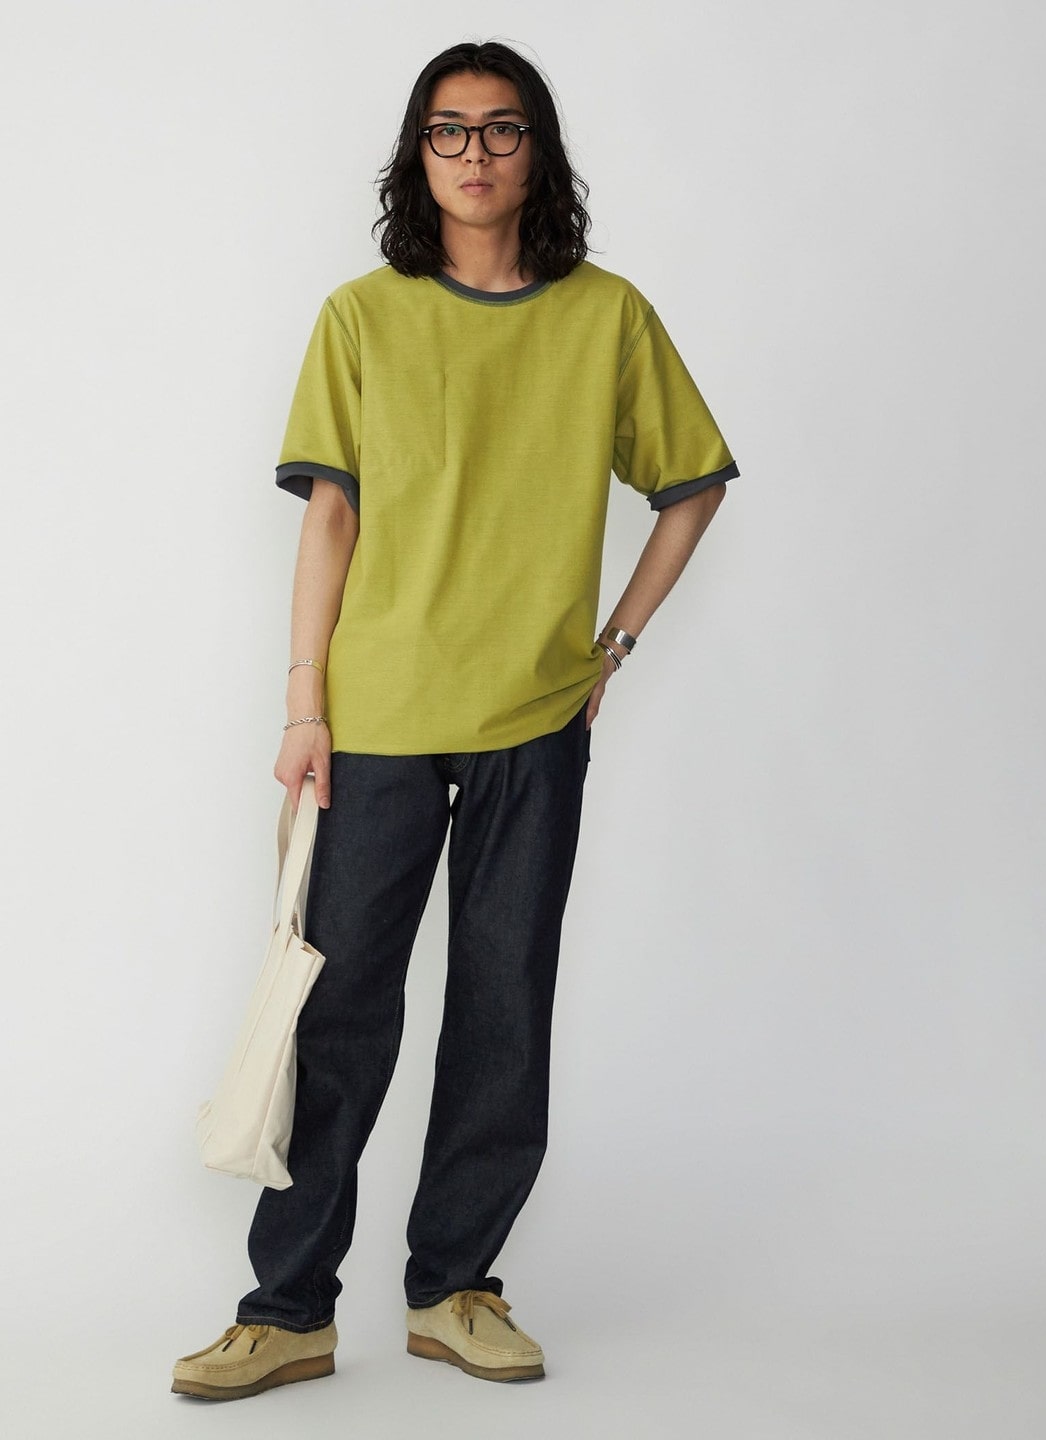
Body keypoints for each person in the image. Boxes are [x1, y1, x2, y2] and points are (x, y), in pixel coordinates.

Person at [172, 39, 738, 1400]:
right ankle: (287, 1308)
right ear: (415, 156)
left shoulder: (606, 316)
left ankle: (455, 1288)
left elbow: (693, 486)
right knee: (338, 1012)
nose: (474, 154)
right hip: (375, 718)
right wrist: (304, 705)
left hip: (533, 721)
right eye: (447, 130)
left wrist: (613, 647)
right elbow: (332, 518)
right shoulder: (362, 318)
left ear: (538, 150)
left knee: (503, 1007)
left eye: (500, 128)